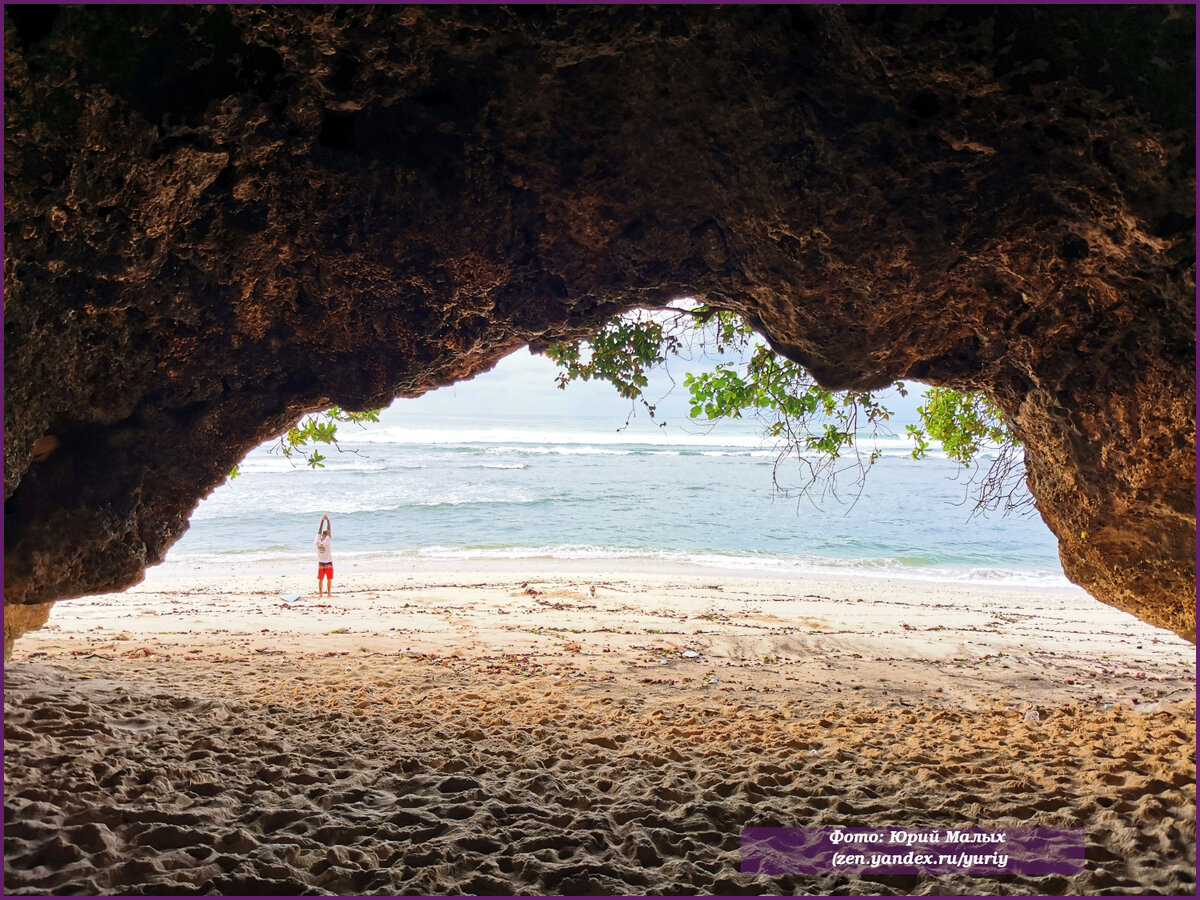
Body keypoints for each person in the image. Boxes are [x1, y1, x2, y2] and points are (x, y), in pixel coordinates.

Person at [316, 514, 333, 596]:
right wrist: (324, 520)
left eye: (325, 536)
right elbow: (320, 530)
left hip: (328, 561)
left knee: (329, 579)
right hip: (321, 562)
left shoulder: (326, 541)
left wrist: (326, 520)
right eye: (324, 536)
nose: (325, 537)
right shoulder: (318, 541)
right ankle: (320, 593)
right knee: (320, 579)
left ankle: (329, 594)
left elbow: (328, 531)